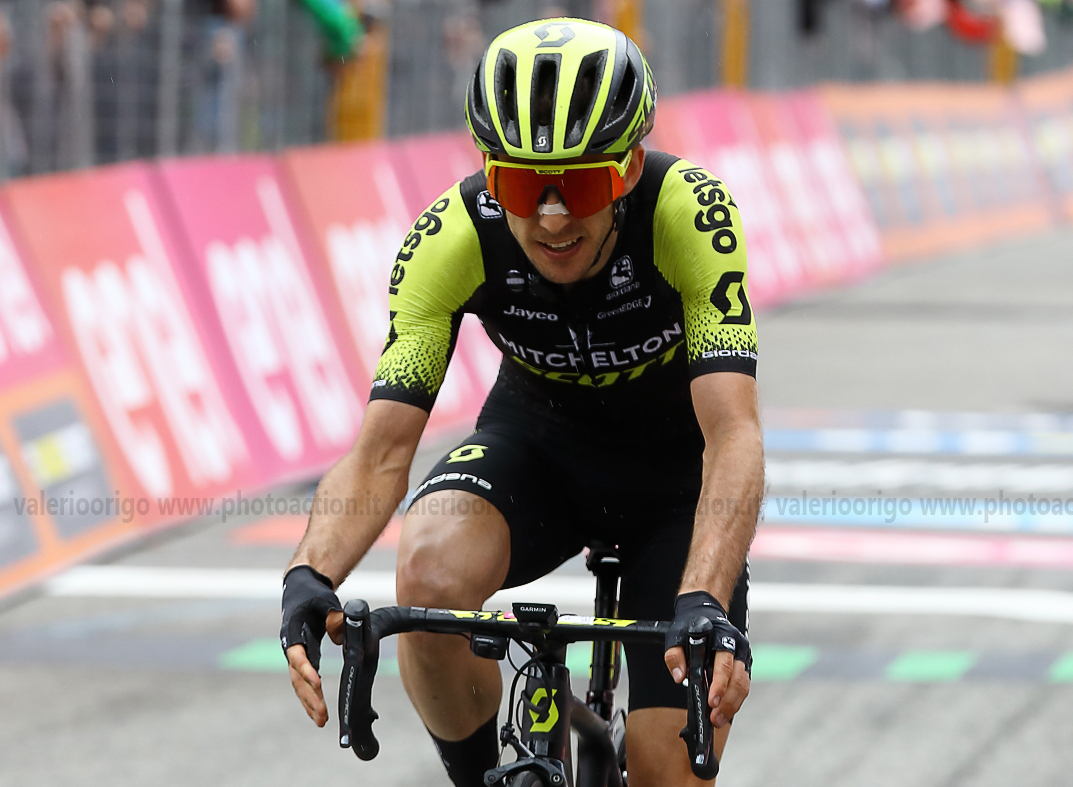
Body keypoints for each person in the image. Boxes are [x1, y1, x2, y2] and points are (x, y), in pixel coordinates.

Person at [282, 17, 763, 787]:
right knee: (429, 569)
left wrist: (704, 594)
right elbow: (380, 452)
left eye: (580, 184)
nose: (550, 216)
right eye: (518, 184)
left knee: (664, 773)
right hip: (539, 451)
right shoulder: (451, 236)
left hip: (675, 486)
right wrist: (309, 574)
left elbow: (733, 431)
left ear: (629, 168)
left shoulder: (687, 213)